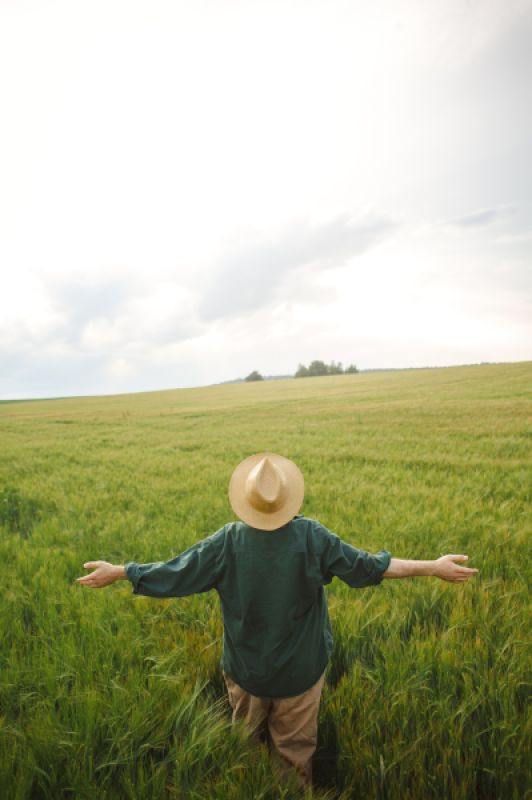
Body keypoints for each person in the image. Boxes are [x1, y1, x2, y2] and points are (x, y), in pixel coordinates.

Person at [76, 452, 479, 790]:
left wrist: (122, 570)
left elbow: (174, 572)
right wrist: (433, 566)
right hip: (299, 676)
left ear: (247, 501)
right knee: (295, 757)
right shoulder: (312, 538)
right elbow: (371, 568)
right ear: (288, 498)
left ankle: (251, 787)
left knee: (245, 748)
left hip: (246, 673)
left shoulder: (227, 542)